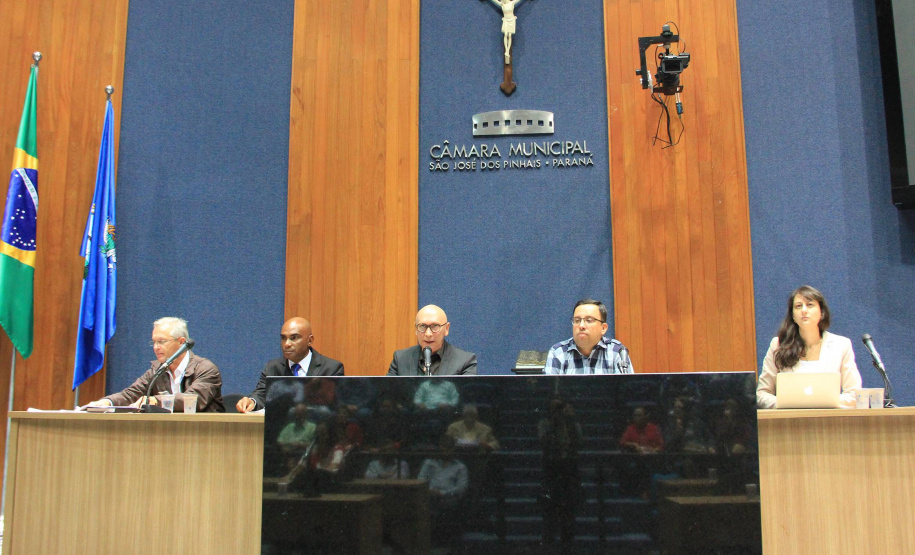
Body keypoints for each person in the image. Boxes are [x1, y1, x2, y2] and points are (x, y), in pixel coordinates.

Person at [756, 285, 862, 409]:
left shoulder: (841, 345)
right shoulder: (778, 345)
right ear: (793, 316)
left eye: (810, 305)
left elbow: (855, 394)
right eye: (798, 306)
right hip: (789, 422)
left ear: (821, 312)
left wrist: (824, 402)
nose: (804, 310)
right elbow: (762, 394)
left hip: (830, 422)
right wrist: (785, 403)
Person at [87, 317, 224, 412]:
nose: (156, 347)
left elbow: (194, 400)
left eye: (162, 341)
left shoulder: (205, 369)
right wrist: (107, 402)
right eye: (154, 342)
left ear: (181, 342)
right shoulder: (157, 370)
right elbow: (131, 394)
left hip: (206, 436)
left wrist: (155, 401)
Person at [236, 317, 344, 413]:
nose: (286, 344)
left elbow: (333, 404)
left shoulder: (331, 368)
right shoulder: (272, 367)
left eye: (294, 338)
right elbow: (260, 394)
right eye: (283, 338)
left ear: (310, 340)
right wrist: (251, 401)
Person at [545, 299, 633, 374]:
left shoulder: (616, 352)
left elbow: (628, 391)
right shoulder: (558, 353)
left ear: (603, 328)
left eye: (589, 320)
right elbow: (550, 393)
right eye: (577, 320)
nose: (581, 325)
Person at [387, 305, 477, 376]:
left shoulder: (465, 361)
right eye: (422, 326)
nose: (428, 334)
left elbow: (468, 397)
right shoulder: (400, 359)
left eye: (435, 326)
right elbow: (387, 395)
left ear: (446, 329)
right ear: (415, 329)